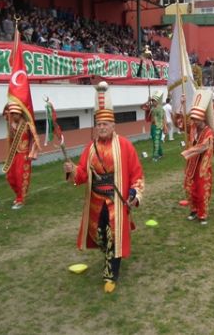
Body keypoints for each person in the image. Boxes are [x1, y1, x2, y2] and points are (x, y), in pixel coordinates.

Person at [64, 82, 145, 293]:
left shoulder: (125, 145)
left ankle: (111, 274)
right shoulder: (90, 148)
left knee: (113, 237)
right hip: (96, 201)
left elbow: (137, 174)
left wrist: (134, 192)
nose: (101, 127)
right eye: (98, 124)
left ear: (113, 125)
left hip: (115, 201)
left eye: (105, 124)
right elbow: (82, 176)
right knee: (100, 235)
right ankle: (108, 254)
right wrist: (72, 170)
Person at [181, 90, 214, 225]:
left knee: (202, 190)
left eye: (196, 119)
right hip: (192, 164)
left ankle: (202, 214)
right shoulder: (192, 127)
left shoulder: (208, 132)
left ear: (202, 118)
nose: (194, 121)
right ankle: (194, 210)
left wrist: (188, 152)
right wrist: (183, 105)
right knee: (190, 188)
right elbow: (181, 124)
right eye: (193, 119)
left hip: (203, 166)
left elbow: (204, 147)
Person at [2, 103, 40, 209]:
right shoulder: (11, 125)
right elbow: (4, 113)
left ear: (20, 114)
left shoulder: (27, 125)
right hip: (13, 155)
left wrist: (32, 153)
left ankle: (20, 200)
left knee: (20, 177)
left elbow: (36, 139)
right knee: (10, 176)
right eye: (12, 114)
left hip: (24, 155)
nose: (14, 116)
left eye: (16, 114)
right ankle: (19, 195)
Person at [141, 91, 166, 161]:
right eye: (152, 101)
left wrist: (164, 127)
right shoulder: (151, 108)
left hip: (158, 127)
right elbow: (142, 107)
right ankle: (161, 154)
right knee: (155, 141)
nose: (153, 102)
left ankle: (155, 156)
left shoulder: (160, 108)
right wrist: (148, 101)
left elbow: (163, 118)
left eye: (154, 101)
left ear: (157, 101)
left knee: (156, 142)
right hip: (153, 126)